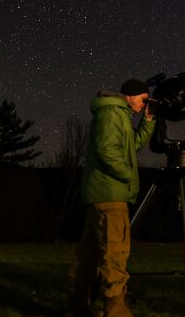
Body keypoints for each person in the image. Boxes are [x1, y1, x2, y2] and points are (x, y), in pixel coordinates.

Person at [66, 79, 156, 317]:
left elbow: (130, 145)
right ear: (130, 96)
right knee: (115, 254)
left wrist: (148, 122)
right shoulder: (112, 114)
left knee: (90, 253)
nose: (144, 104)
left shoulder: (119, 115)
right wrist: (127, 175)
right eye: (143, 99)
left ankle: (77, 307)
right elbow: (107, 150)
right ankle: (116, 312)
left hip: (101, 193)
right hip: (111, 195)